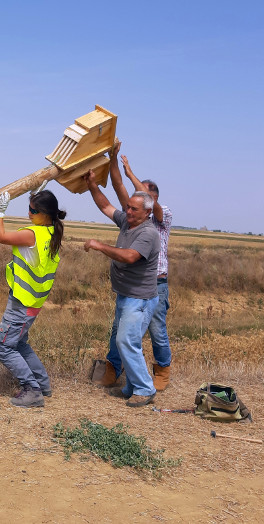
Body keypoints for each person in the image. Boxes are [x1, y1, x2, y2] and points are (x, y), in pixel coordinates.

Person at [97, 142, 173, 391]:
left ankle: (159, 372)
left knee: (154, 331)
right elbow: (117, 189)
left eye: (140, 197)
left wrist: (130, 173)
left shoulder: (160, 218)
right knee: (122, 334)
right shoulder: (132, 216)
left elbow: (130, 256)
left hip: (153, 285)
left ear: (151, 202)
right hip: (130, 289)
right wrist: (113, 160)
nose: (130, 206)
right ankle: (122, 375)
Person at [82, 169, 160, 407]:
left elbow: (129, 256)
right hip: (126, 296)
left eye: (133, 209)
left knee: (126, 341)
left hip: (139, 299)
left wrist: (99, 245)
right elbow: (105, 205)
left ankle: (145, 388)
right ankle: (133, 386)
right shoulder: (128, 222)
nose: (127, 211)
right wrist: (93, 185)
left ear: (148, 212)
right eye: (127, 207)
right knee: (123, 341)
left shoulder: (148, 232)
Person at [0, 183, 65, 408]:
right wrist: (36, 194)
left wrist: (0, 212)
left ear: (44, 214)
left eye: (33, 210)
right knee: (20, 342)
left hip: (22, 301)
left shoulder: (31, 234)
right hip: (35, 302)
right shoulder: (52, 231)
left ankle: (32, 390)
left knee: (3, 346)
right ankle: (42, 384)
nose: (28, 213)